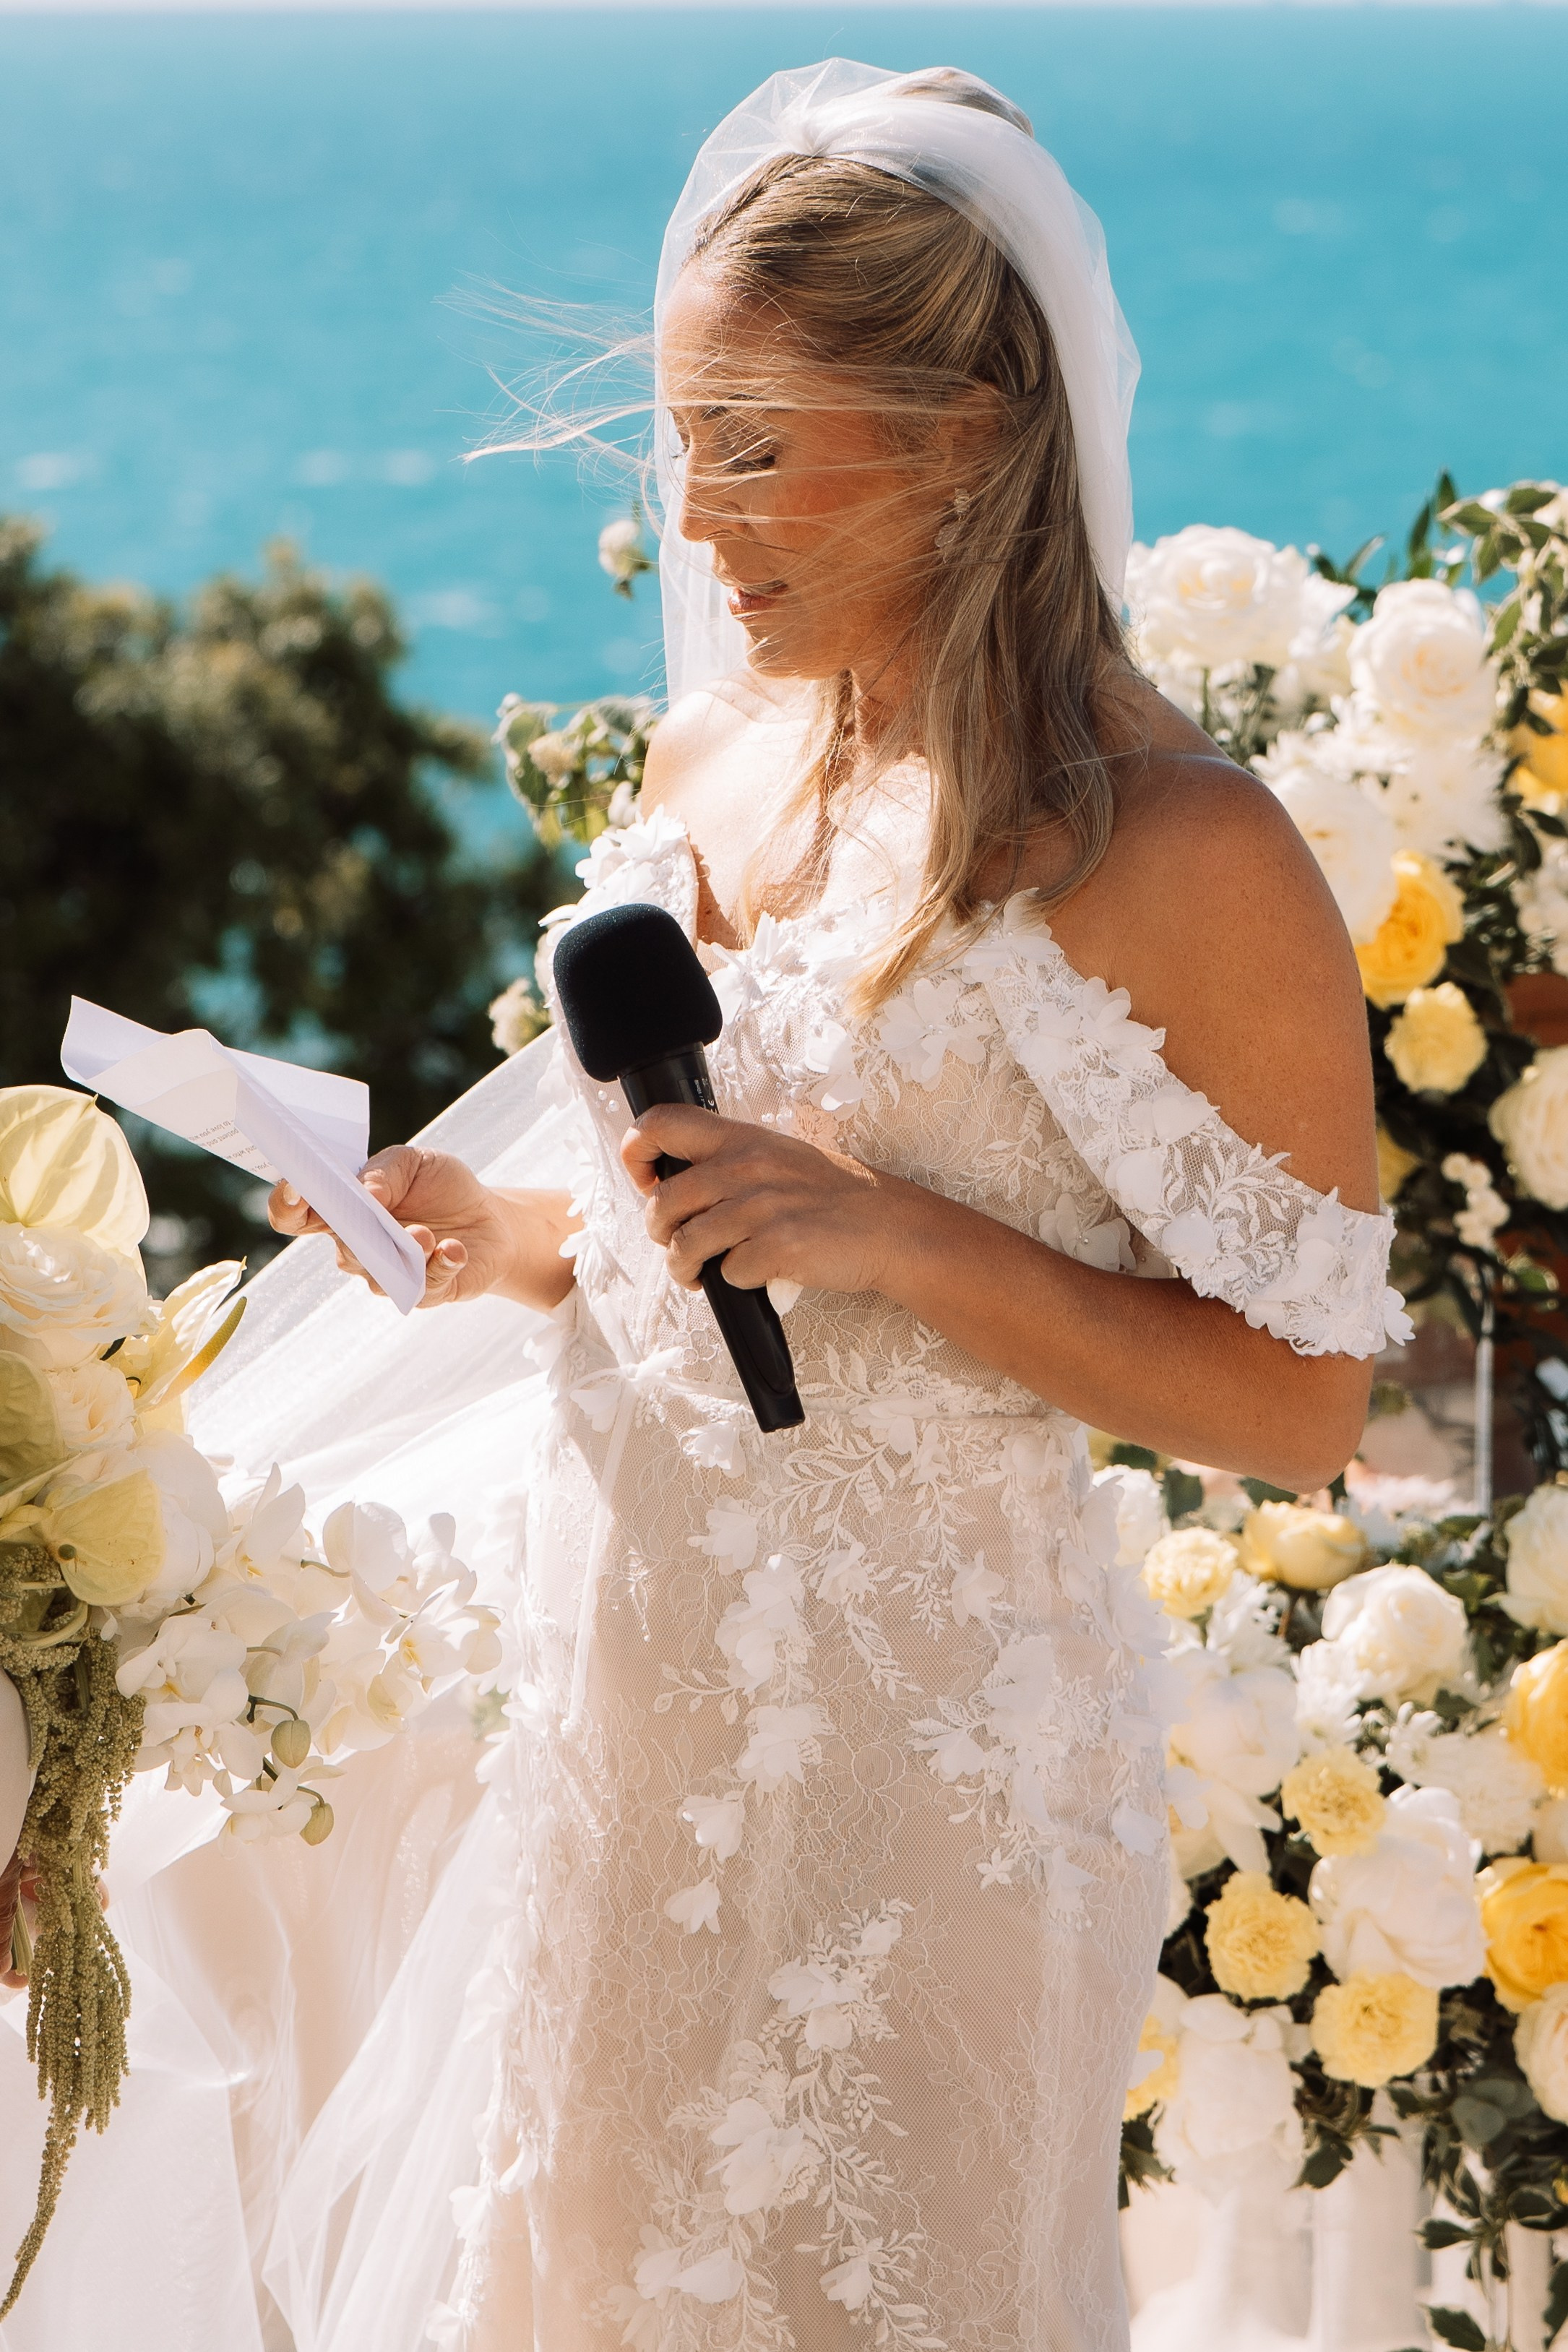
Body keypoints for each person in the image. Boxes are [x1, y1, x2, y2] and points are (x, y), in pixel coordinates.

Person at [264, 60, 1407, 2352]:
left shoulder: (1176, 850)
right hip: (619, 1725)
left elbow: (1302, 1409)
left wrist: (907, 1238)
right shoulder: (705, 768)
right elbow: (670, 1237)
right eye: (679, 440)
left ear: (975, 425)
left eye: (757, 443)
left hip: (933, 1780)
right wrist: (504, 1242)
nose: (695, 520)